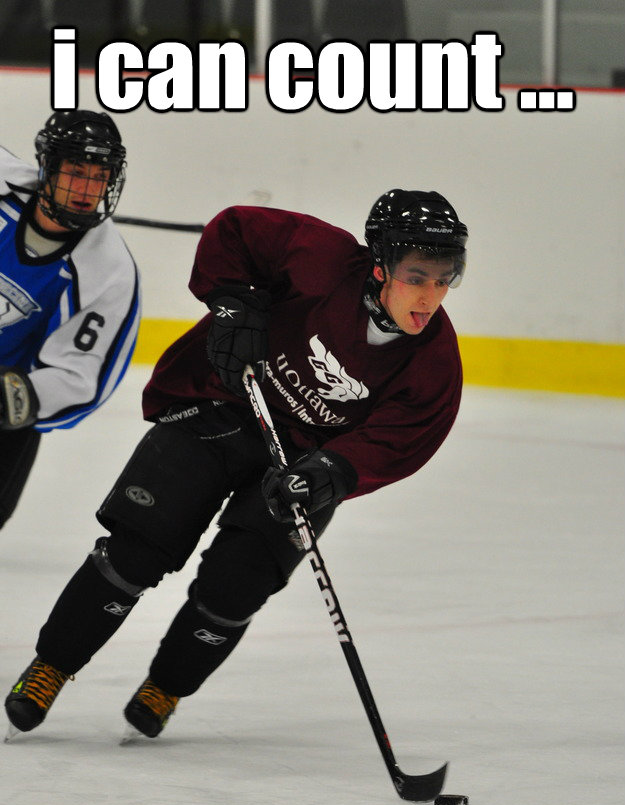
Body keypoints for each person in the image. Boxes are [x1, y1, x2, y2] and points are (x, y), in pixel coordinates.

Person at [4, 189, 467, 739]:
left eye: (445, 279)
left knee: (238, 585)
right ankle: (52, 666)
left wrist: (333, 471)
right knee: (136, 547)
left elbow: (400, 439)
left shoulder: (433, 362)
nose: (430, 296)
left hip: (301, 461)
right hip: (219, 404)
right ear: (379, 265)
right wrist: (233, 301)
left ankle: (166, 687)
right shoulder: (321, 259)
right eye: (418, 276)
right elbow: (235, 229)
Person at [0, 110, 141, 529]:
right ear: (47, 166)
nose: (87, 189)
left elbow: (80, 377)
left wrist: (12, 396)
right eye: (76, 171)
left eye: (99, 176)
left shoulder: (109, 269)